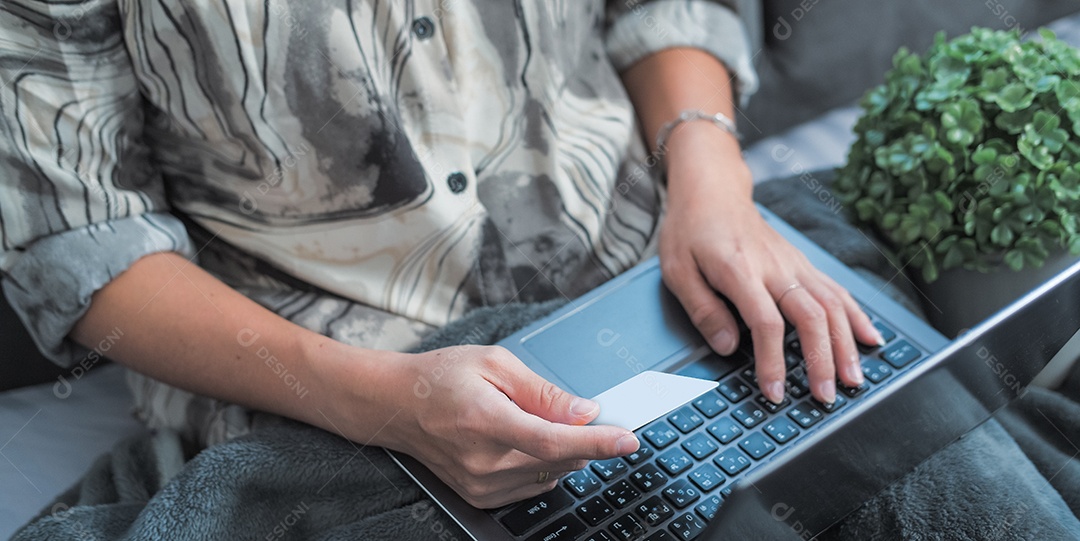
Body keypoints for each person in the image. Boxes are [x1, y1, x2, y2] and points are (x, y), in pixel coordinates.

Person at [0, 1, 880, 509]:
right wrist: (378, 404)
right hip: (338, 388)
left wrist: (711, 176)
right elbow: (79, 238)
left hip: (654, 281)